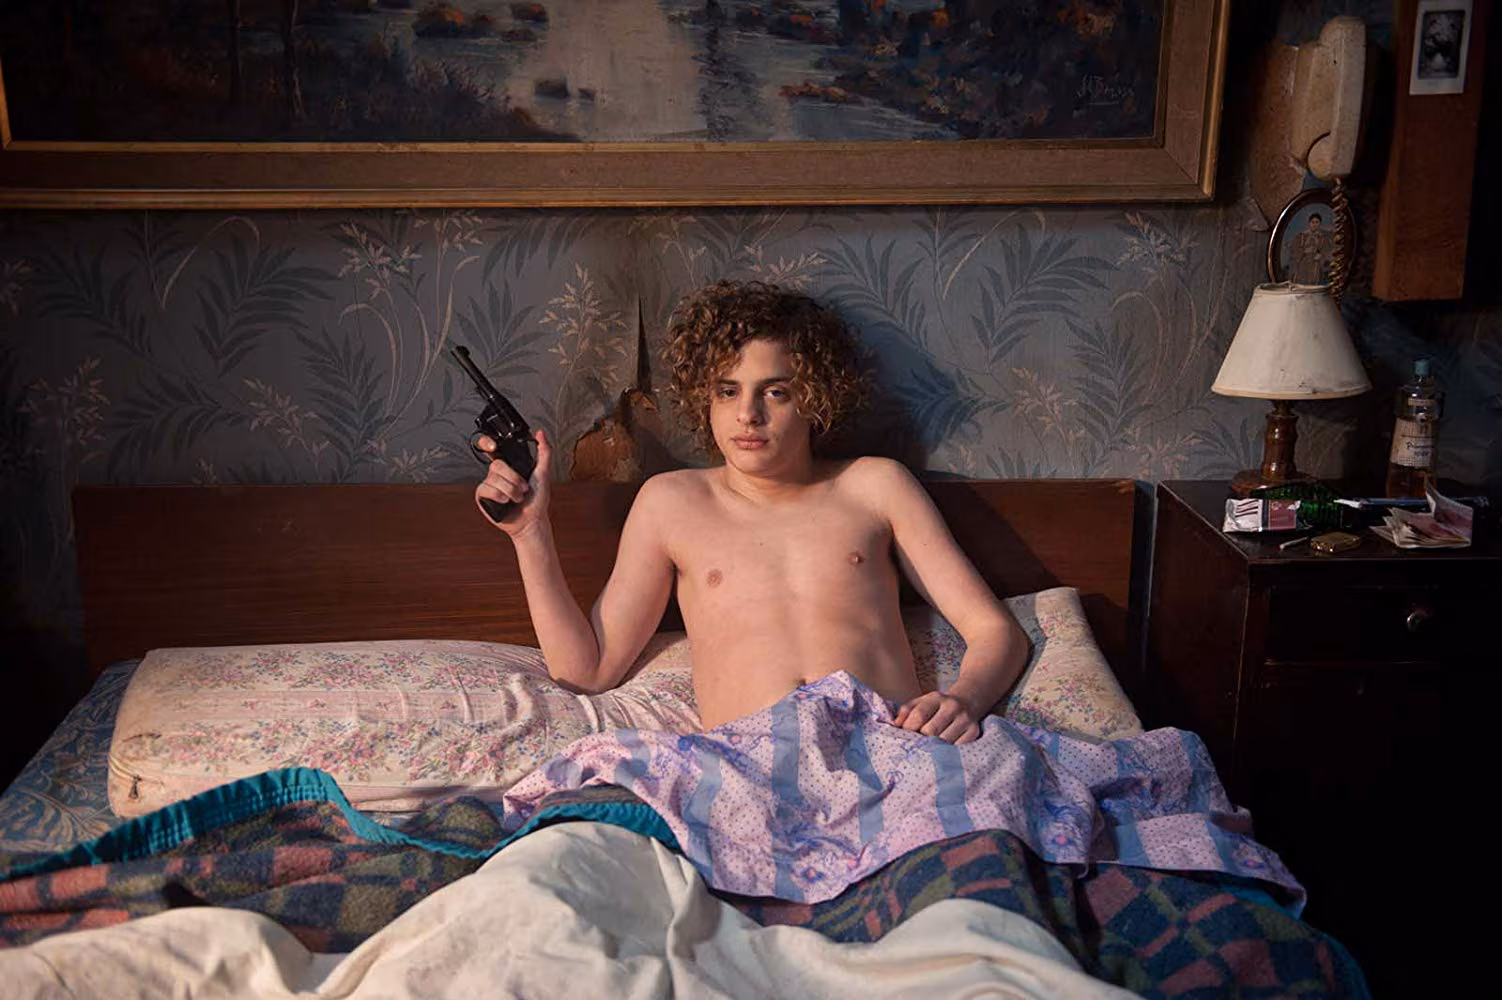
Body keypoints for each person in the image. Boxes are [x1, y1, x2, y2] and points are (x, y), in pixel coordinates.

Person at [474, 280, 1027, 744]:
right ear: (704, 399)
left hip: (886, 751)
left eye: (776, 392)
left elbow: (994, 630)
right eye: (727, 391)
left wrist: (965, 699)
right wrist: (530, 534)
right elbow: (588, 673)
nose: (748, 414)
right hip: (748, 764)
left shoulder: (876, 486)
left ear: (815, 398)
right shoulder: (671, 503)